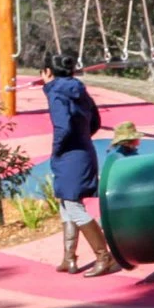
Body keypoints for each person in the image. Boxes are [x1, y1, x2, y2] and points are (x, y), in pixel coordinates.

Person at [43, 52, 123, 276]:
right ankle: (69, 258)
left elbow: (63, 127)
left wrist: (59, 147)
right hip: (84, 151)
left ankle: (103, 256)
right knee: (66, 203)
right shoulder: (80, 90)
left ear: (48, 72)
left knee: (74, 206)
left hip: (69, 155)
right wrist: (83, 137)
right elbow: (96, 120)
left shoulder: (56, 93)